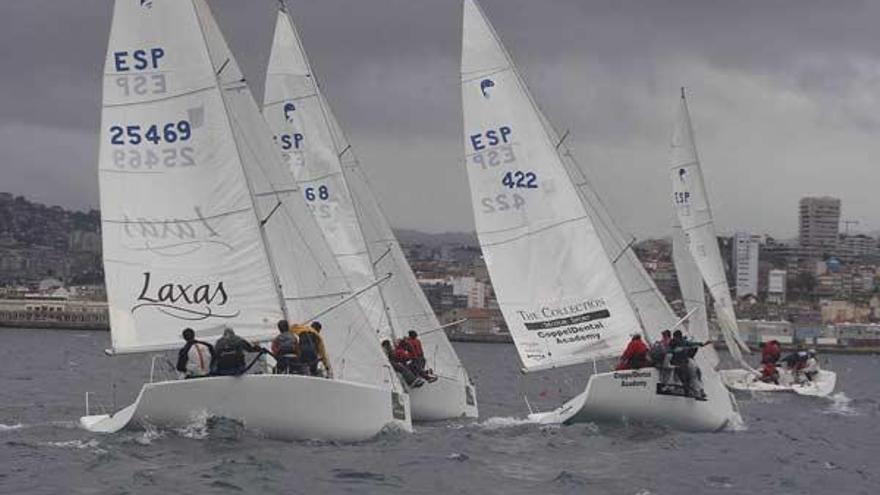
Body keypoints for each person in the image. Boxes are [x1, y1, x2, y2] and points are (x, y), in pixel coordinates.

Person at [669, 330, 709, 400]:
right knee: (685, 376)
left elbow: (692, 344)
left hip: (683, 362)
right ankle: (691, 391)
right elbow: (670, 350)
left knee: (693, 374)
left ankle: (698, 391)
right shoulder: (674, 342)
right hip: (678, 363)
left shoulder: (682, 342)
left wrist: (703, 344)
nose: (678, 339)